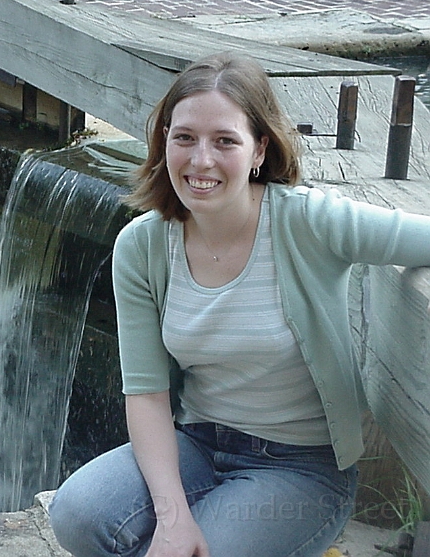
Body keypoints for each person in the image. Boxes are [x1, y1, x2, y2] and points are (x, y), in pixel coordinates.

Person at [48, 52, 430, 557]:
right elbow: (146, 395)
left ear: (259, 149)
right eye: (185, 137)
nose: (201, 160)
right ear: (164, 140)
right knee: (78, 514)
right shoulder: (142, 246)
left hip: (300, 467)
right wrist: (172, 516)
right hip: (197, 445)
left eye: (225, 141)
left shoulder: (308, 222)